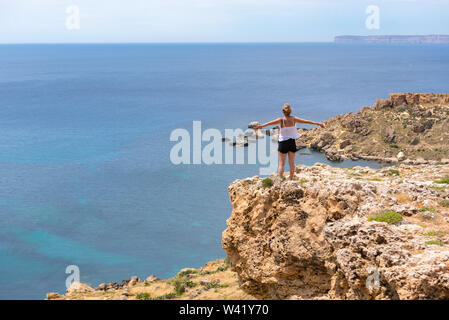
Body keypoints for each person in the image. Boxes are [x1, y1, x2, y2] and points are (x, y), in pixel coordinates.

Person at [254, 104, 325, 180]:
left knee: (281, 164)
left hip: (283, 143)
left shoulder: (281, 120)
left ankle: (280, 179)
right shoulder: (294, 119)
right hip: (291, 142)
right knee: (291, 163)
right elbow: (307, 121)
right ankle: (291, 179)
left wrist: (260, 126)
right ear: (290, 111)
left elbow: (269, 123)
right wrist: (318, 124)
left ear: (283, 111)